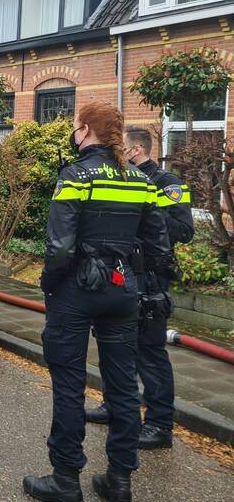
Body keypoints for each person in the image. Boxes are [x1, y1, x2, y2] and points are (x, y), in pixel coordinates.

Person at [23, 102, 174, 502]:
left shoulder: (75, 176)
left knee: (69, 384)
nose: (74, 133)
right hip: (124, 290)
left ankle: (65, 479)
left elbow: (59, 246)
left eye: (75, 126)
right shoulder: (140, 180)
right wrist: (149, 287)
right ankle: (119, 480)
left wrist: (49, 284)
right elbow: (159, 245)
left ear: (86, 130)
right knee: (123, 385)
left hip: (76, 290)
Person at [84, 126, 193, 450]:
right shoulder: (121, 178)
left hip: (151, 278)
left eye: (122, 148)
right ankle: (114, 406)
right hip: (122, 274)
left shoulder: (167, 183)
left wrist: (147, 210)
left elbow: (184, 230)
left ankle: (159, 425)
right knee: (115, 346)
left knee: (150, 351)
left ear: (135, 150)